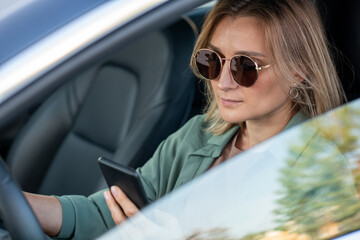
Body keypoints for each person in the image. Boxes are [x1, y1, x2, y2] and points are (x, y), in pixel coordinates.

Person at [25, 0, 345, 239]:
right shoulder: (199, 135)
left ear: (299, 71)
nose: (222, 81)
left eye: (245, 66)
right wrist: (16, 202)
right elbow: (107, 212)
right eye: (211, 60)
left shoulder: (323, 171)